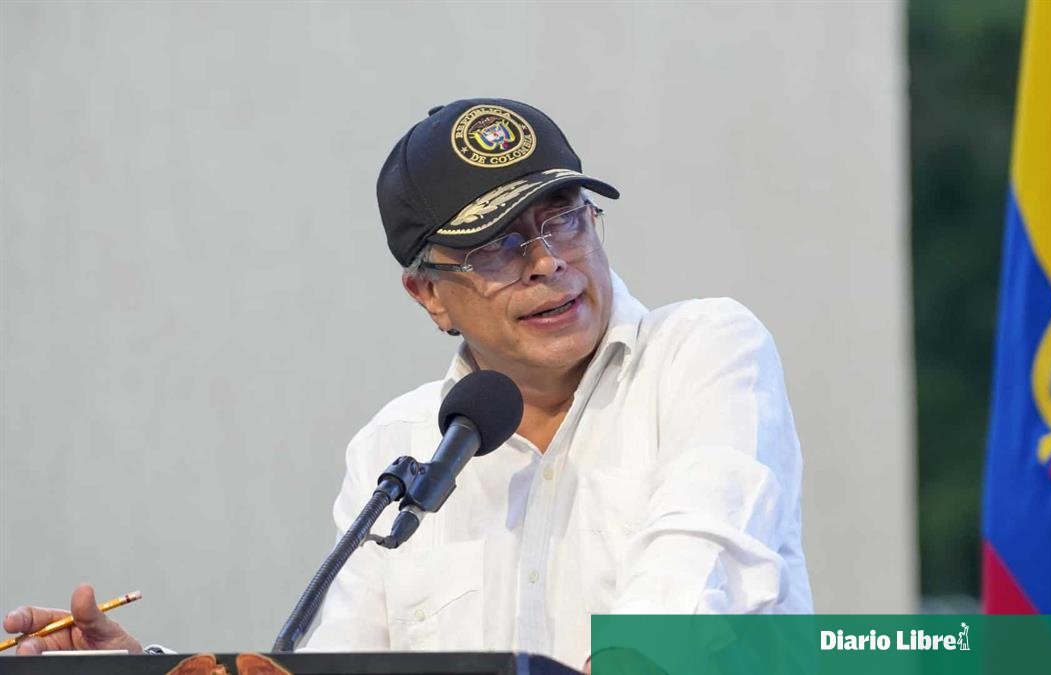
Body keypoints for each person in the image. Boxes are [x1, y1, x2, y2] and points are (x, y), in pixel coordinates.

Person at [2, 98, 812, 668]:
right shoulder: (394, 447)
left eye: (563, 216)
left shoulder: (706, 350)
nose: (548, 261)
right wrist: (151, 671)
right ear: (428, 294)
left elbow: (691, 587)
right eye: (497, 246)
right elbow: (341, 665)